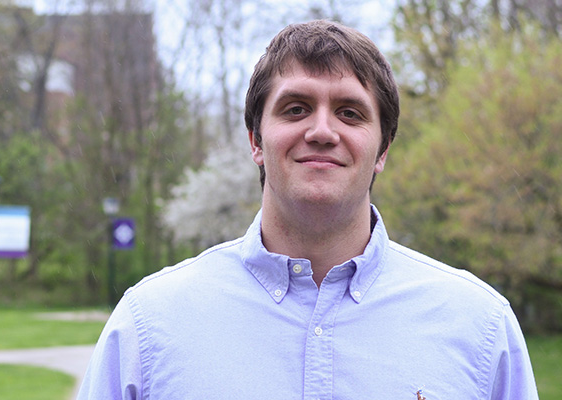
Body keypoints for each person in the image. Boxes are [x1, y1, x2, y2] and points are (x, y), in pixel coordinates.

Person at [77, 20, 538, 399]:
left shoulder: (481, 327)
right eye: (296, 109)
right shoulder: (148, 327)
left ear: (383, 149)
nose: (322, 131)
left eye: (350, 113)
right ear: (257, 141)